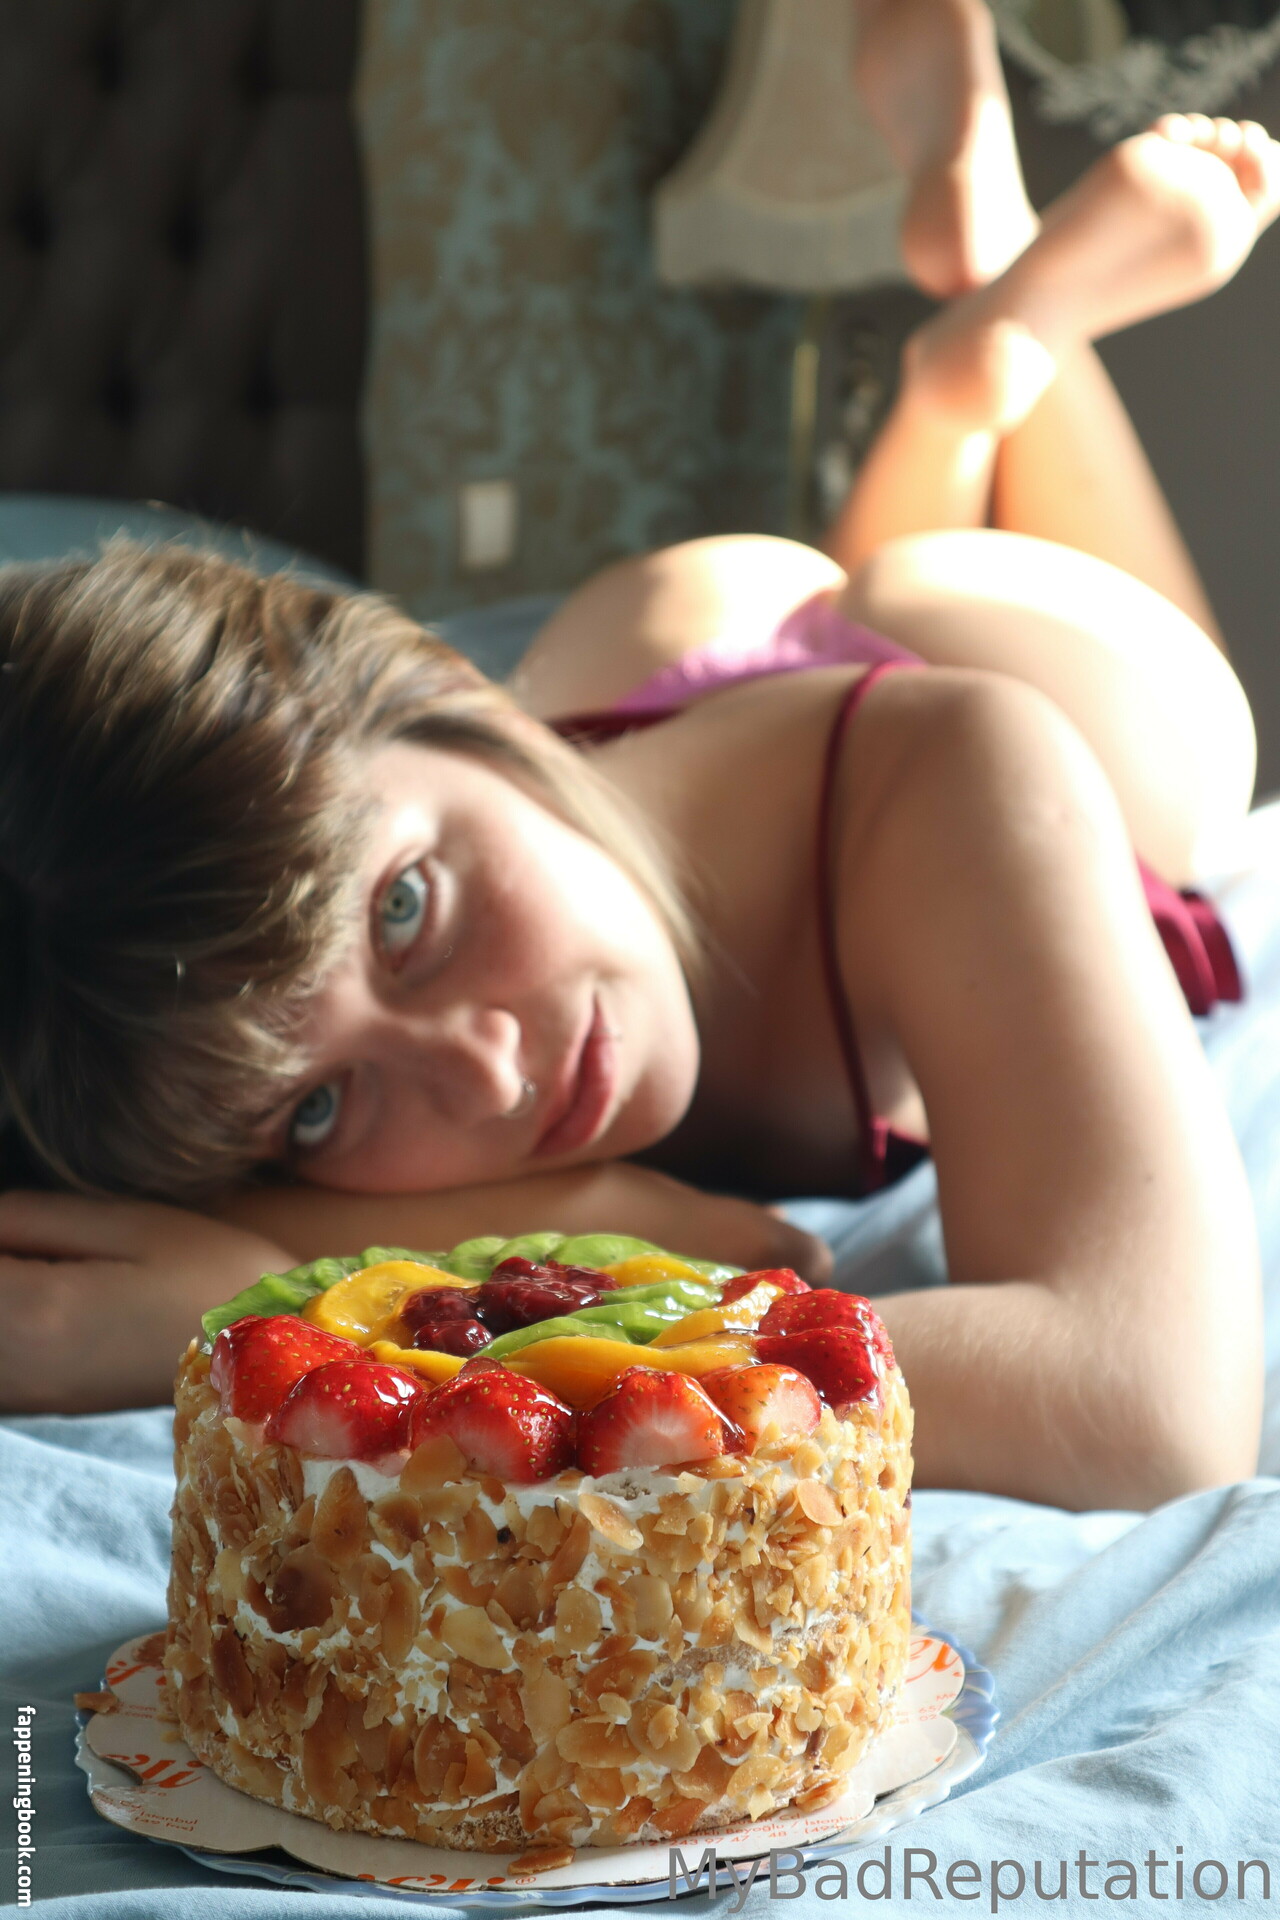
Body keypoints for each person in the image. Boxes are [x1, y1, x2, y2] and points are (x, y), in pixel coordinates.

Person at [2, 0, 1276, 1512]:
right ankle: (950, 387)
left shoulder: (962, 770)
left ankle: (991, 333)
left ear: (441, 689)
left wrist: (308, 1314)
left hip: (886, 714)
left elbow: (1148, 1408)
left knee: (1146, 737)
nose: (489, 1072)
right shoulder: (204, 1019)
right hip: (640, 710)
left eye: (406, 910)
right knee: (861, 603)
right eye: (321, 1109)